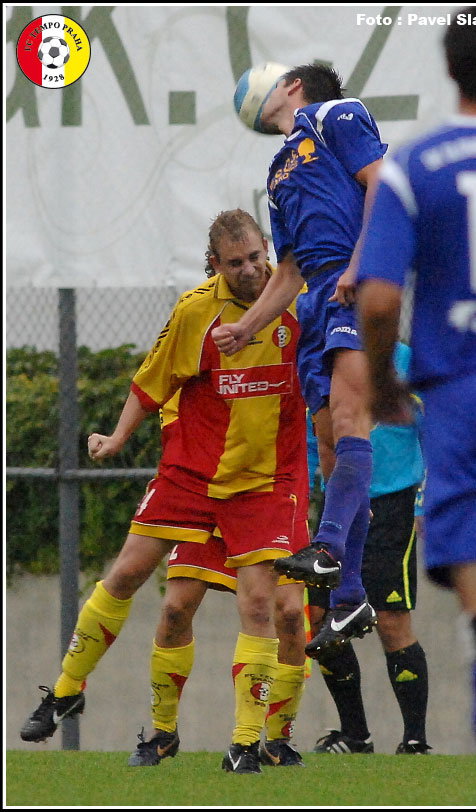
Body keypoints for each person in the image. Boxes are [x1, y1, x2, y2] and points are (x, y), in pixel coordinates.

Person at [20, 209, 309, 776]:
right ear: (215, 264)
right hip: (193, 475)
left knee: (273, 608)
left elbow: (334, 375)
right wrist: (116, 437)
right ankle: (70, 692)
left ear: (267, 248)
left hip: (264, 483)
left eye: (256, 257)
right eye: (236, 262)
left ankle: (252, 743)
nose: (250, 270)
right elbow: (152, 381)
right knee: (141, 584)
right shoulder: (195, 311)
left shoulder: (301, 303)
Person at [357, 8, 476, 805]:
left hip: (467, 406)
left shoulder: (414, 166)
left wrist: (383, 384)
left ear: (449, 63)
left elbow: (377, 299)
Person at [213, 64, 388, 656]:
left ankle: (329, 548)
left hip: (355, 282)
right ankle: (350, 597)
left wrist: (361, 264)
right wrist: (246, 327)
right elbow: (287, 268)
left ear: (292, 86)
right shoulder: (278, 169)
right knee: (331, 448)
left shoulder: (335, 114)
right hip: (316, 298)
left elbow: (381, 183)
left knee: (350, 418)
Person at [126, 388, 308, 771]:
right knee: (175, 609)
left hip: (270, 491)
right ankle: (163, 732)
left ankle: (273, 739)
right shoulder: (191, 363)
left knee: (290, 614)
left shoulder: (287, 356)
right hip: (207, 490)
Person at [309, 342, 431, 755]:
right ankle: (355, 735)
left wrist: (423, 502)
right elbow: (314, 433)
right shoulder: (324, 358)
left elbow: (436, 430)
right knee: (321, 620)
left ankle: (415, 740)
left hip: (393, 503)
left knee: (391, 620)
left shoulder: (405, 359)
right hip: (338, 508)